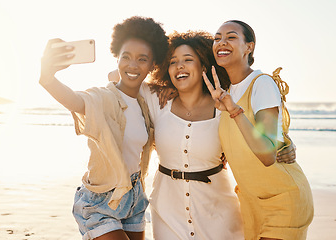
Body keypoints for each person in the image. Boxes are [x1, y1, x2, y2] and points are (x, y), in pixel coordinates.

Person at [39, 16, 168, 240]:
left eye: (142, 59)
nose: (132, 65)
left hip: (135, 197)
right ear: (117, 57)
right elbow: (76, 101)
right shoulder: (103, 98)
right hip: (100, 200)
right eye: (125, 57)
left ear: (152, 64)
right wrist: (47, 78)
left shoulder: (147, 102)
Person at [203, 20, 314, 240]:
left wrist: (235, 111)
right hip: (251, 204)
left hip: (283, 199)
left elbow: (267, 153)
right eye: (217, 38)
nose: (221, 42)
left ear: (249, 47)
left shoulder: (261, 84)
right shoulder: (223, 94)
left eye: (231, 37)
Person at [143, 31, 244, 240]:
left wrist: (284, 148)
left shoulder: (224, 105)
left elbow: (255, 135)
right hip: (167, 212)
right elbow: (116, 76)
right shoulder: (157, 102)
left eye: (188, 60)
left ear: (203, 67)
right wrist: (165, 87)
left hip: (219, 213)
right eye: (173, 62)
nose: (179, 66)